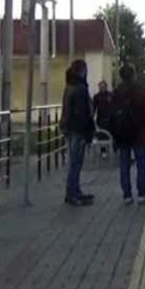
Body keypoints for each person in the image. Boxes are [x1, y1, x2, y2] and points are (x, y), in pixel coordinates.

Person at [112, 65, 145, 204]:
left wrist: (115, 134)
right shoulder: (140, 90)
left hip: (122, 134)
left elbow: (112, 114)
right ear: (133, 75)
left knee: (124, 165)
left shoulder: (117, 91)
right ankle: (142, 195)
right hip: (138, 133)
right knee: (141, 165)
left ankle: (127, 195)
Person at [59, 60, 95, 206]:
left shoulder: (69, 86)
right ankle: (72, 193)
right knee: (76, 162)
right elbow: (83, 112)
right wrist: (88, 132)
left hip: (69, 128)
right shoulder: (80, 88)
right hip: (78, 129)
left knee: (74, 162)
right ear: (82, 71)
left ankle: (74, 191)